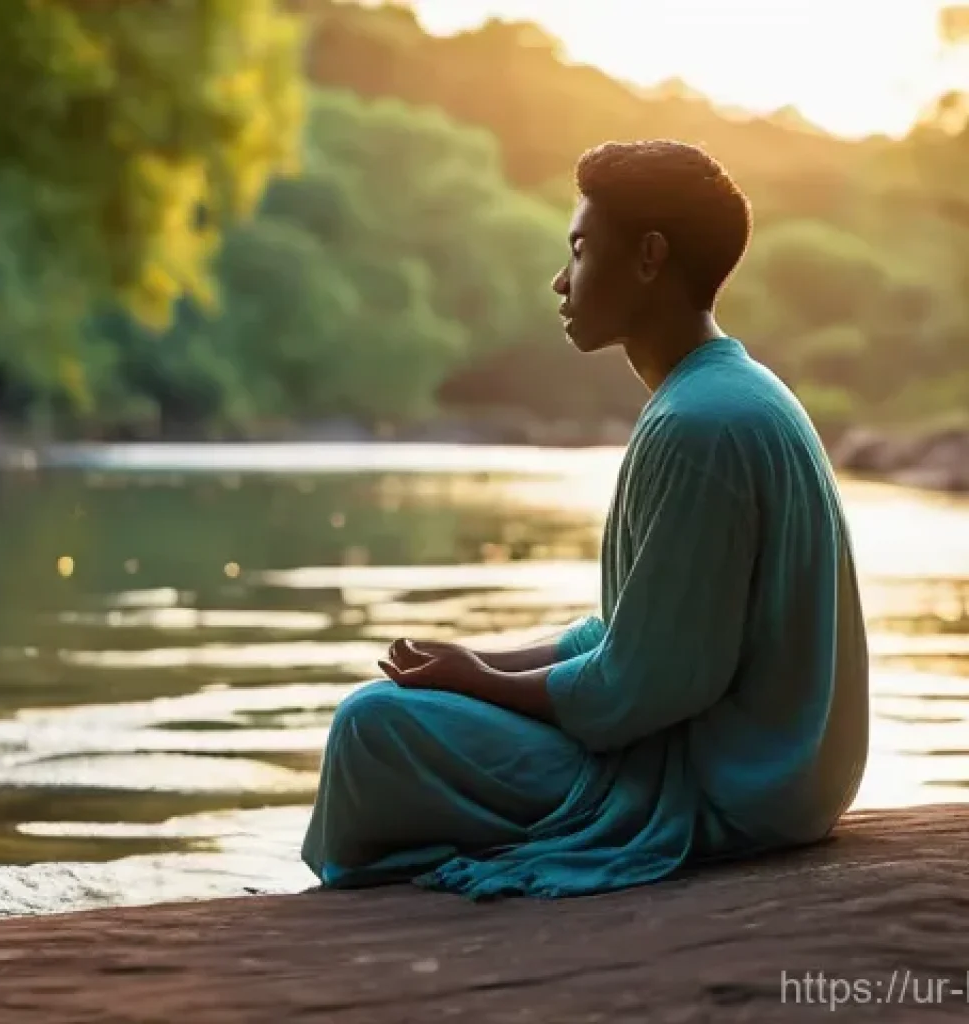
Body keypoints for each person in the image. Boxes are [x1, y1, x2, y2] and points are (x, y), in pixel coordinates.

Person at [300, 139, 870, 900]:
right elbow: (637, 635)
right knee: (405, 709)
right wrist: (480, 665)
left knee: (374, 726)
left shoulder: (699, 426)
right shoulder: (732, 395)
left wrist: (479, 684)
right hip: (784, 776)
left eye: (579, 248)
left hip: (733, 786)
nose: (560, 280)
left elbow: (641, 688)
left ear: (648, 257)